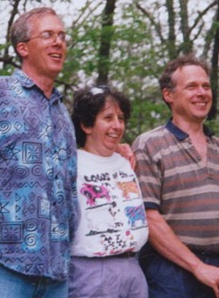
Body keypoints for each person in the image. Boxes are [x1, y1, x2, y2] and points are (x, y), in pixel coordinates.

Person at [0, 7, 78, 298]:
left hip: (56, 274)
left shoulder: (63, 113)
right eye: (48, 35)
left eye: (62, 36)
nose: (58, 42)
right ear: (22, 48)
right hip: (0, 267)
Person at [132, 54, 219, 298]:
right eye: (191, 86)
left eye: (206, 86)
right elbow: (148, 218)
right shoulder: (149, 145)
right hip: (169, 272)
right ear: (169, 95)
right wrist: (197, 267)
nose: (202, 92)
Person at [69, 85, 149, 298]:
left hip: (132, 267)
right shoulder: (71, 163)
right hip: (92, 272)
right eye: (108, 118)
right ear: (86, 125)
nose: (116, 126)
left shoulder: (125, 161)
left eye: (121, 119)